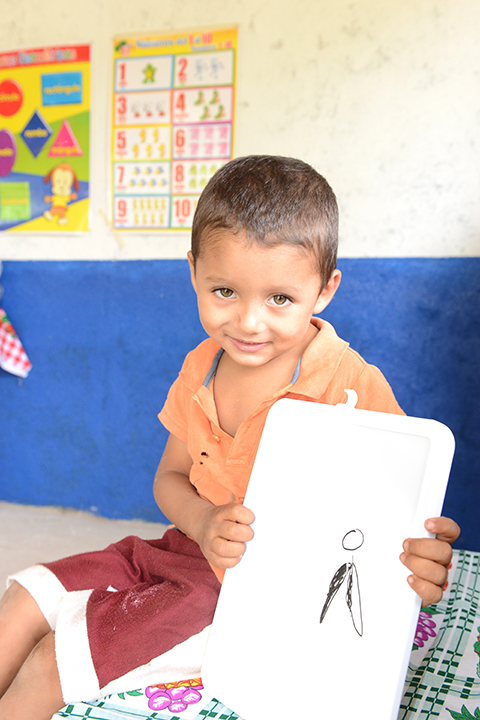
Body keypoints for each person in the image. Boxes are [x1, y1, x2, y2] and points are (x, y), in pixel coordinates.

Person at [0, 156, 460, 720]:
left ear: (325, 290)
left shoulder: (351, 385)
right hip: (179, 549)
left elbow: (398, 520)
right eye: (223, 290)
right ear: (193, 271)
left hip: (251, 593)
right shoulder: (200, 366)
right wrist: (200, 522)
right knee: (21, 600)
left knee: (51, 663)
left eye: (280, 299)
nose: (247, 322)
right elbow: (169, 478)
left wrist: (423, 559)